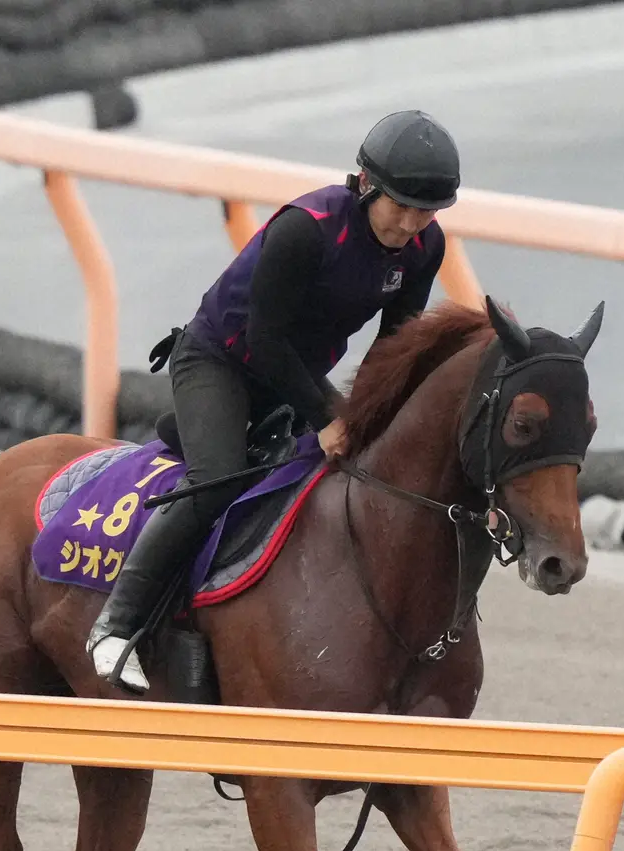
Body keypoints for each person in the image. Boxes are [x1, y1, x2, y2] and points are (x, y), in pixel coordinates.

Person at [86, 109, 461, 692]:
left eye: (426, 211)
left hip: (296, 373)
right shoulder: (305, 229)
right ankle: (116, 625)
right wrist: (325, 417)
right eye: (401, 205)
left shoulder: (423, 247)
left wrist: (371, 421)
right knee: (219, 475)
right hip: (221, 361)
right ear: (365, 185)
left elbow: (395, 345)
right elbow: (266, 340)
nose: (411, 223)